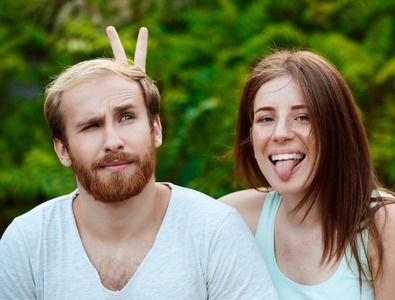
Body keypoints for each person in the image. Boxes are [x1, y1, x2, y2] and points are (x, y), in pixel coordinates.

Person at [107, 26, 395, 299]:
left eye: (302, 116)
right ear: (250, 135)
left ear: (337, 128)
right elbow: (154, 227)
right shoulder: (240, 217)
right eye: (265, 118)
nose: (281, 133)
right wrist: (138, 123)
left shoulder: (387, 227)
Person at [0, 51, 278, 298]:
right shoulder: (27, 243)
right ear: (63, 150)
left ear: (156, 129)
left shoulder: (214, 232)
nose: (113, 141)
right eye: (91, 126)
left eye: (127, 117)